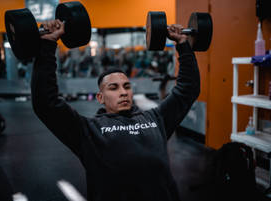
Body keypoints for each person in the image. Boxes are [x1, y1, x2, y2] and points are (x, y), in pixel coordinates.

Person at [31, 20, 200, 201]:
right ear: (100, 98)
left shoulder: (156, 119)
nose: (123, 92)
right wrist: (48, 44)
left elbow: (187, 90)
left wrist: (183, 44)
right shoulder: (88, 131)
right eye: (113, 88)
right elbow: (46, 103)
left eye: (126, 86)